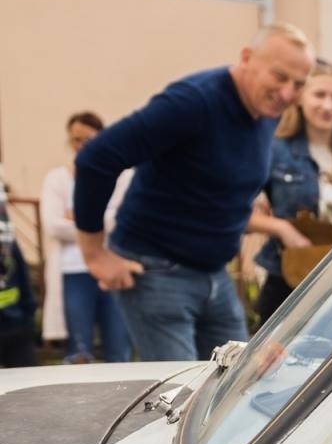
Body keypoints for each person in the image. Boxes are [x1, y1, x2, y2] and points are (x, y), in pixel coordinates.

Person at [73, 24, 314, 362]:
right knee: (183, 397)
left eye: (299, 84)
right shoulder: (193, 101)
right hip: (156, 270)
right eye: (279, 77)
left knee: (235, 382)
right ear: (247, 58)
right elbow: (96, 159)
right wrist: (94, 253)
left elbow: (217, 194)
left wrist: (278, 226)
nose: (288, 93)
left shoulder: (267, 111)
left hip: (214, 274)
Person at [253, 61, 332, 322]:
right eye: (319, 95)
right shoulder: (276, 152)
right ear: (300, 99)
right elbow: (235, 211)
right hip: (287, 283)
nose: (327, 105)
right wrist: (282, 229)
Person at [40, 113, 131, 363]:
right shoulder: (56, 179)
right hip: (74, 271)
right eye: (75, 139)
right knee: (79, 350)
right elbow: (52, 225)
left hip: (113, 268)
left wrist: (76, 217)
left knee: (118, 345)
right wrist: (101, 217)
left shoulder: (122, 175)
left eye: (88, 140)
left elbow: (123, 218)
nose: (80, 146)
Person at [0, 184, 38, 368]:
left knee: (29, 391)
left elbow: (23, 279)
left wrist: (27, 319)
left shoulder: (8, 245)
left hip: (16, 328)